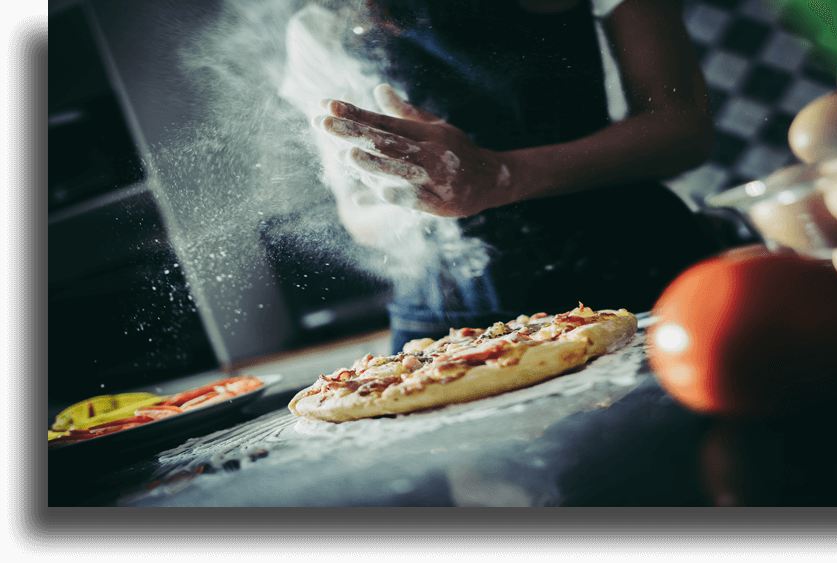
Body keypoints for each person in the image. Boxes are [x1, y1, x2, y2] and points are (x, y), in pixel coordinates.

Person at [284, 0, 722, 352]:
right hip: (450, 328)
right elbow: (359, 213)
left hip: (630, 276)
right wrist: (427, 196)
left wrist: (501, 176)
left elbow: (683, 129)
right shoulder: (321, 24)